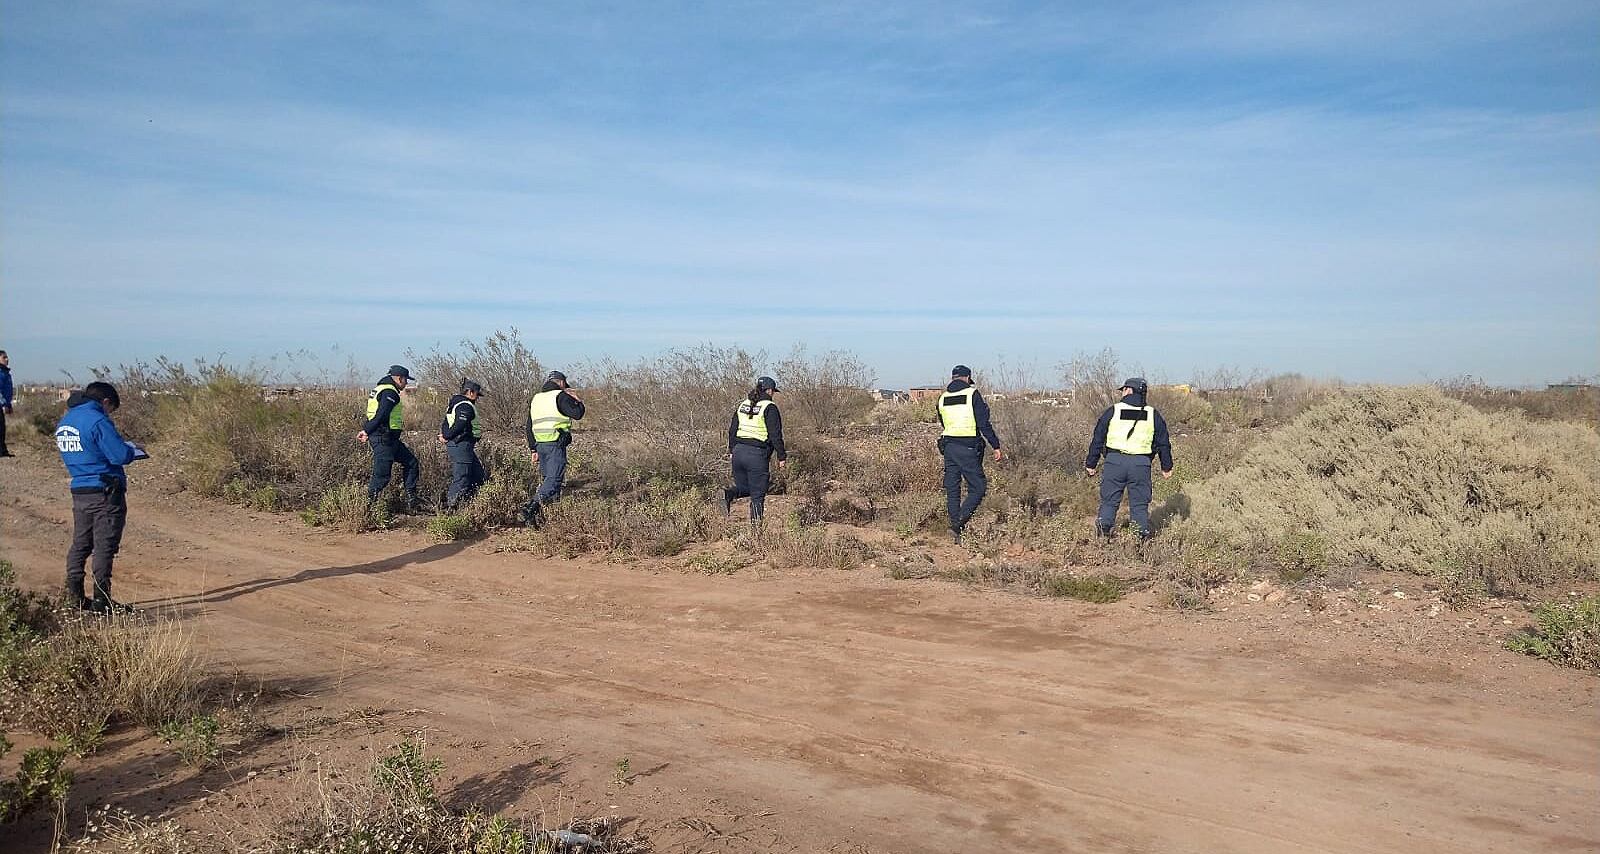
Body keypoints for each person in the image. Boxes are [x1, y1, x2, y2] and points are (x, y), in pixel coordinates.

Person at [56, 382, 146, 613]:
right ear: (105, 402)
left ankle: (74, 595)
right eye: (111, 408)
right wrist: (131, 450)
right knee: (104, 546)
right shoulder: (97, 420)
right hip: (105, 490)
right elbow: (119, 455)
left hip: (80, 490)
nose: (109, 413)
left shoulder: (65, 422)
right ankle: (102, 600)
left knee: (81, 544)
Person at [1085, 378, 1174, 540]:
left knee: (1109, 501)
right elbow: (1163, 443)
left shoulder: (1113, 411)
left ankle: (1102, 536)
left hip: (1114, 462)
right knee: (1139, 504)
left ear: (1128, 390)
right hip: (1141, 464)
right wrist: (1166, 467)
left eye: (1123, 390)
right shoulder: (1152, 414)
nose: (1122, 393)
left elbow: (1098, 438)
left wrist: (1091, 463)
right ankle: (1140, 541)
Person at [937, 365, 1002, 543]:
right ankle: (957, 525)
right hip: (967, 447)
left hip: (949, 447)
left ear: (953, 378)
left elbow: (944, 422)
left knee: (952, 488)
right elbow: (983, 423)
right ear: (967, 378)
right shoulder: (972, 394)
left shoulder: (942, 398)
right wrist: (995, 445)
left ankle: (956, 531)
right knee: (978, 487)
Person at [358, 365, 426, 512]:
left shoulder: (382, 388)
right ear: (399, 378)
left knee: (411, 463)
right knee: (382, 476)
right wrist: (366, 431)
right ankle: (366, 510)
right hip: (383, 438)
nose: (406, 383)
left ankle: (411, 501)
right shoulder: (389, 392)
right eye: (406, 380)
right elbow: (381, 414)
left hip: (390, 439)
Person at [720, 376, 787, 526]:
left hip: (738, 453)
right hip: (756, 455)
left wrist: (732, 450)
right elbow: (775, 435)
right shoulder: (769, 407)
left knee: (746, 488)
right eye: (773, 392)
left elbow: (732, 430)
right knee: (757, 495)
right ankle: (757, 533)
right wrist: (781, 456)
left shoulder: (743, 405)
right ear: (769, 390)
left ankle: (728, 494)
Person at [521, 370, 585, 525]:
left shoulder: (536, 398)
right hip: (555, 445)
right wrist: (577, 400)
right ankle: (531, 507)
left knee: (547, 480)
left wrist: (533, 449)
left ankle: (547, 517)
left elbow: (529, 426)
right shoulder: (560, 396)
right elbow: (577, 414)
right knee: (554, 480)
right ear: (561, 383)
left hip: (540, 445)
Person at [439, 379, 487, 512]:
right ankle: (452, 508)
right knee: (462, 477)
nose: (477, 398)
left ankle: (470, 505)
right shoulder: (465, 405)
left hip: (463, 446)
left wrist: (445, 435)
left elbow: (446, 422)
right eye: (477, 394)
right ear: (470, 392)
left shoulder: (455, 403)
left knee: (478, 476)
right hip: (461, 445)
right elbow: (459, 424)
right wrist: (447, 436)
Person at [0, 349, 13, 457]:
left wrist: (9, 404)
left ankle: (3, 451)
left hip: (4, 404)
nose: (7, 359)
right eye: (4, 357)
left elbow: (7, 391)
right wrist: (4, 404)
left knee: (2, 428)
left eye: (6, 357)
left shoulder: (5, 373)